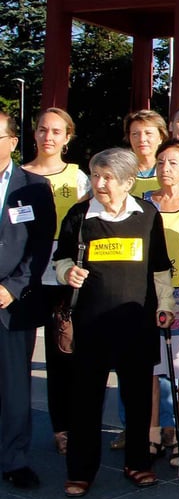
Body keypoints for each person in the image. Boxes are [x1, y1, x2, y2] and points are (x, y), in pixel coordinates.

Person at [54, 148, 174, 497]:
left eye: (108, 177)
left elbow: (160, 268)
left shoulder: (148, 215)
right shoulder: (80, 215)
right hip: (90, 325)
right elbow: (60, 259)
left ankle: (138, 463)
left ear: (128, 182)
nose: (100, 183)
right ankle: (80, 470)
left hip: (136, 324)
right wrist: (67, 272)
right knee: (85, 401)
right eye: (95, 176)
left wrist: (165, 304)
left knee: (138, 400)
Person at [20, 108, 90, 457]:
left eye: (57, 131)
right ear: (34, 134)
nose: (49, 136)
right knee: (17, 358)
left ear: (67, 137)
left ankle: (64, 428)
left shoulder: (79, 179)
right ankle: (14, 428)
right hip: (23, 278)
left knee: (63, 357)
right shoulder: (16, 176)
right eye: (43, 129)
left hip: (64, 280)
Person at [0, 111, 56, 490]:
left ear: (13, 142)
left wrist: (13, 287)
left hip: (11, 302)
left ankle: (14, 459)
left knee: (15, 388)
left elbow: (39, 247)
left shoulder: (33, 186)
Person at [145, 138, 179, 469]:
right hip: (149, 293)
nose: (166, 168)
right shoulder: (144, 203)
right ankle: (150, 433)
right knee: (150, 367)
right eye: (161, 162)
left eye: (174, 162)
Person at [124, 109, 170, 196]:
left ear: (161, 137)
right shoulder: (121, 169)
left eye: (148, 133)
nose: (142, 139)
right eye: (135, 134)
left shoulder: (173, 169)